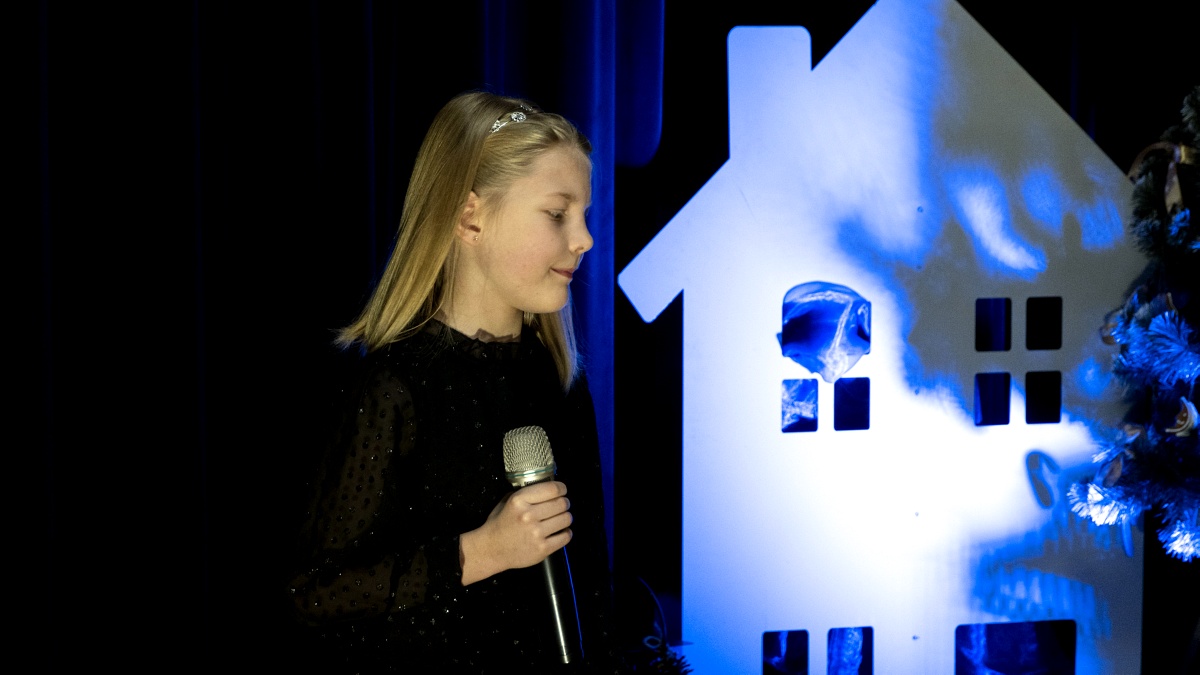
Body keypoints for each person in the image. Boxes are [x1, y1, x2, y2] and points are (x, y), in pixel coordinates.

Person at [285, 91, 624, 673]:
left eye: (584, 215)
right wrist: (479, 552)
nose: (585, 238)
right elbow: (316, 592)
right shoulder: (396, 386)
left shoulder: (557, 379)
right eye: (557, 213)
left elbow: (589, 578)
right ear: (471, 218)